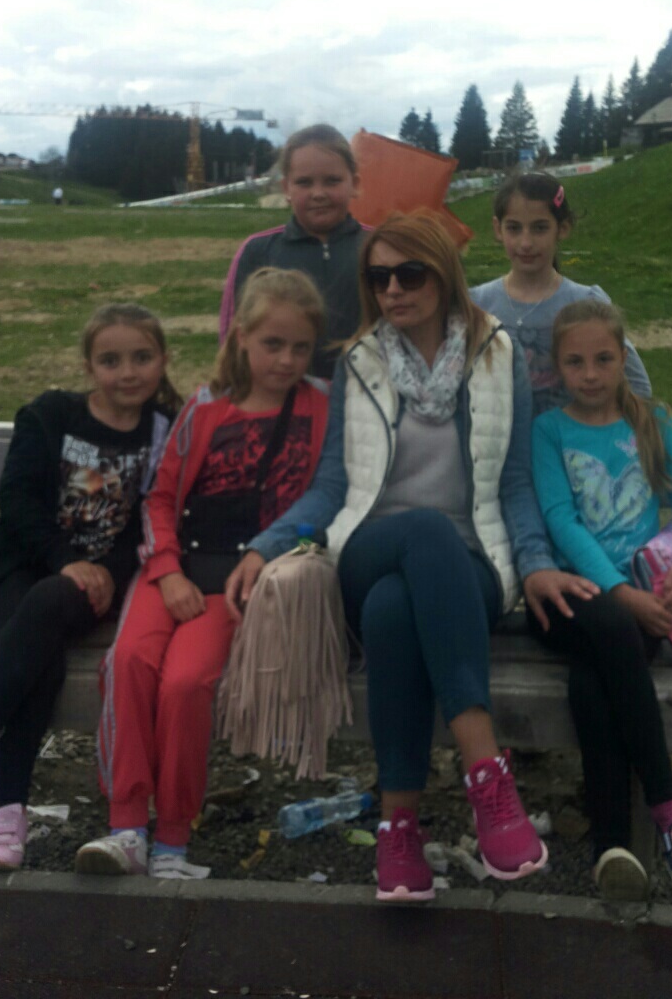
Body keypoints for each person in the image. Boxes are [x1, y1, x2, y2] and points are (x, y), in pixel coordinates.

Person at [225, 212, 598, 903]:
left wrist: (536, 561)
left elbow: (515, 482)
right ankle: (486, 773)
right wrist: (267, 545)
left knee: (396, 611)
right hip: (368, 547)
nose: (393, 290)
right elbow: (333, 483)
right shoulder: (360, 361)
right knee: (420, 533)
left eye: (409, 273)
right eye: (379, 278)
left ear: (442, 273)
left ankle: (398, 828)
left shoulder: (498, 356)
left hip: (470, 565)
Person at [76, 269, 329, 879]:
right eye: (273, 344)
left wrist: (270, 556)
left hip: (243, 579)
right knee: (129, 662)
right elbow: (161, 497)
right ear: (242, 337)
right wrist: (166, 571)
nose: (286, 360)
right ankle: (126, 823)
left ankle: (172, 835)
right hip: (175, 565)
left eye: (300, 347)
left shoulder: (323, 407)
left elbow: (326, 496)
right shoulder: (206, 406)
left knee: (186, 684)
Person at [0, 304, 179, 870]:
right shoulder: (50, 414)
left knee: (48, 613)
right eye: (110, 360)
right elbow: (16, 499)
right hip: (20, 566)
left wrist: (105, 570)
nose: (127, 372)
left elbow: (152, 515)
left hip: (97, 585)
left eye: (141, 357)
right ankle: (4, 813)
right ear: (89, 366)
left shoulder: (165, 429)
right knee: (41, 651)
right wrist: (66, 559)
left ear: (163, 360)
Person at [528, 298, 672, 900]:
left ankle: (611, 847)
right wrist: (619, 595)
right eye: (576, 362)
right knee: (613, 633)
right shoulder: (549, 430)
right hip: (568, 594)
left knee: (593, 679)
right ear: (557, 368)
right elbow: (561, 521)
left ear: (623, 358)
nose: (590, 374)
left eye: (603, 359)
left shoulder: (650, 422)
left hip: (645, 599)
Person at [470, 171, 652, 416]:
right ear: (498, 229)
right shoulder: (477, 304)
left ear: (562, 228)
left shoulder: (585, 303)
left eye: (540, 228)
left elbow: (638, 385)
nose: (526, 243)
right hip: (497, 440)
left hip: (567, 441)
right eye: (514, 228)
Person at [218, 124, 365, 380]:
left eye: (332, 181)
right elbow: (234, 335)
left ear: (355, 183)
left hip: (367, 396)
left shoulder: (379, 247)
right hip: (283, 395)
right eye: (304, 183)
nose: (318, 193)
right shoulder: (258, 251)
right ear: (286, 188)